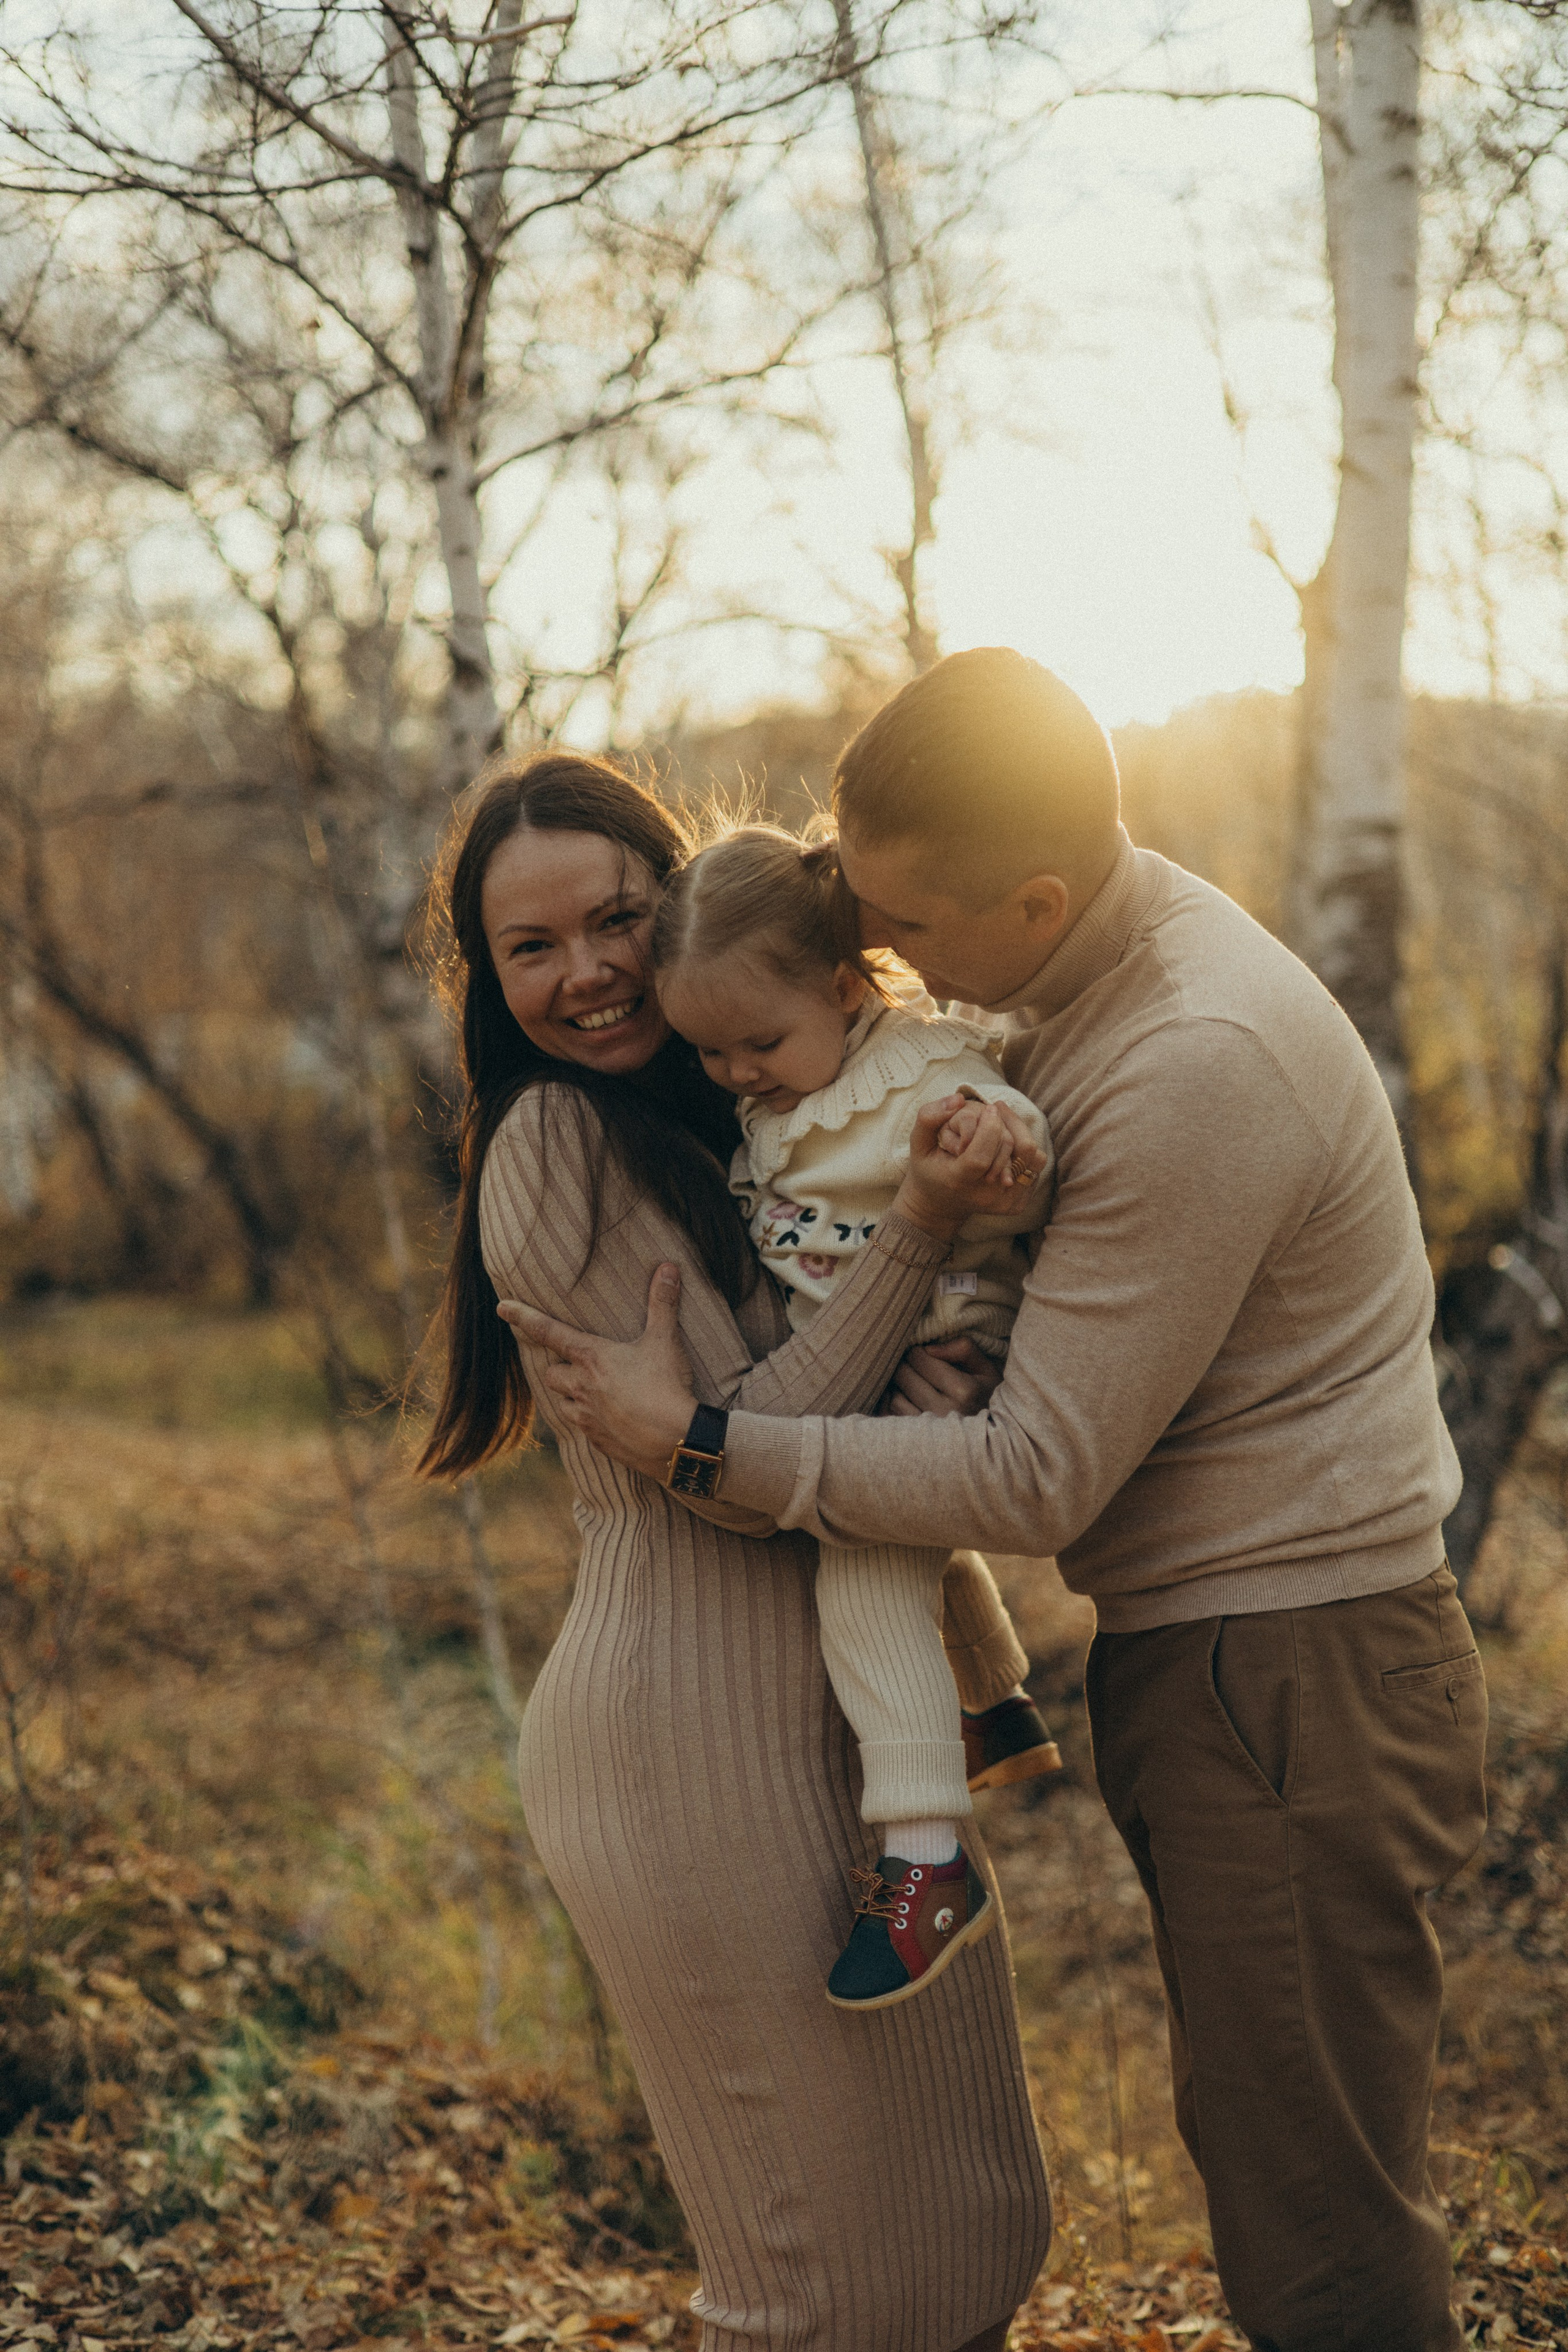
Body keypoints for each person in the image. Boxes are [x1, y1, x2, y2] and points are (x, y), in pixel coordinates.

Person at [500, 652, 1490, 2352]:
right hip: (1242, 1655)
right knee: (1279, 2163)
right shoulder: (1071, 977)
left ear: (1033, 898)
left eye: (906, 924)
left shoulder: (1190, 1056)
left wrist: (708, 1447)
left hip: (1293, 1665)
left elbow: (1033, 1473)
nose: (876, 959)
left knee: (1314, 2217)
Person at [418, 750, 1052, 2352]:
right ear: (489, 982)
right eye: (532, 949)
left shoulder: (758, 1106)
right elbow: (749, 1449)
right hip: (686, 1751)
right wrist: (923, 1227)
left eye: (619, 917)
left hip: (838, 1721)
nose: (588, 974)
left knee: (975, 2236)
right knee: (827, 2288)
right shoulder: (556, 1143)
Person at [649, 821, 1060, 2010]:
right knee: (907, 1560)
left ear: (845, 986)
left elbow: (1001, 1116)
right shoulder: (790, 1085)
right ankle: (994, 1707)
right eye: (708, 1053)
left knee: (862, 1580)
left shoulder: (915, 1071)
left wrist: (997, 1142)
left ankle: (927, 1859)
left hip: (940, 1361)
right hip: (873, 1366)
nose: (736, 1075)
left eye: (757, 1043)